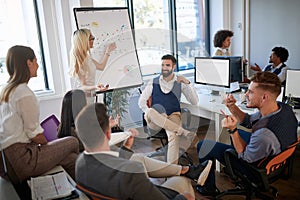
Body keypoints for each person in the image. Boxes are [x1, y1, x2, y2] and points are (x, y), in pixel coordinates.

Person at [75, 103, 214, 200]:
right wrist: (184, 198)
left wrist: (126, 149)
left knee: (137, 158)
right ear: (108, 135)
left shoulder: (80, 163)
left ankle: (186, 169)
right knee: (183, 183)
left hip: (121, 192)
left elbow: (111, 168)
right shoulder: (132, 172)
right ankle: (187, 173)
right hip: (143, 193)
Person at [195, 71, 298, 197]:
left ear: (264, 97)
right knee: (241, 132)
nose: (246, 94)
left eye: (250, 92)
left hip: (255, 168)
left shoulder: (264, 135)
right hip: (274, 159)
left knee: (203, 145)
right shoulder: (283, 108)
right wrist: (232, 107)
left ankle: (208, 188)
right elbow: (248, 122)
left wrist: (232, 130)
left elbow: (245, 157)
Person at [0, 45, 79, 181]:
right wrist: (49, 147)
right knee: (72, 141)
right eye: (36, 61)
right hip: (23, 160)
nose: (37, 65)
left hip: (6, 163)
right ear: (28, 63)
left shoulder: (6, 90)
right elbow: (35, 134)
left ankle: (80, 192)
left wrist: (53, 150)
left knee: (71, 159)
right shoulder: (24, 93)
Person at [138, 54, 198, 164]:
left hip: (173, 116)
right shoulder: (153, 81)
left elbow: (194, 101)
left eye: (167, 65)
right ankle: (183, 131)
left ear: (174, 66)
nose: (164, 67)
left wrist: (188, 83)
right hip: (155, 119)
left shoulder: (180, 82)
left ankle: (172, 170)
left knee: (173, 135)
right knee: (150, 111)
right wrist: (149, 113)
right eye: (162, 65)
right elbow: (141, 102)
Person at [69, 28, 116, 103]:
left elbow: (101, 67)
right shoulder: (79, 60)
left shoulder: (87, 57)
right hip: (82, 99)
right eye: (92, 38)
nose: (94, 40)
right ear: (84, 41)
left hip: (90, 97)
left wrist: (108, 52)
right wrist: (95, 87)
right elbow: (82, 86)